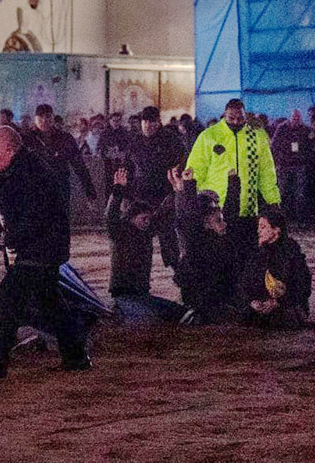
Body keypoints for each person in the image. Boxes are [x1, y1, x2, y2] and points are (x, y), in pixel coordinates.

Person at [0, 126, 90, 379]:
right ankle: (76, 356)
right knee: (51, 302)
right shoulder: (29, 167)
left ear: (10, 150)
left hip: (39, 249)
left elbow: (33, 216)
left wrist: (12, 239)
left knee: (8, 296)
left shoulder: (26, 174)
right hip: (45, 247)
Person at [186, 99, 280, 273]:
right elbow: (195, 169)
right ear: (224, 115)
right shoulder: (209, 136)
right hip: (217, 210)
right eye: (231, 118)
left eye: (240, 118)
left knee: (247, 256)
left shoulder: (257, 136)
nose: (236, 122)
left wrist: (273, 200)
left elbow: (267, 173)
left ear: (245, 116)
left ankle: (244, 293)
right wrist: (189, 194)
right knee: (220, 257)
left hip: (248, 209)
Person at [106, 167, 193, 324]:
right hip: (123, 296)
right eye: (143, 218)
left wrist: (177, 190)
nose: (147, 222)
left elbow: (164, 211)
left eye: (148, 219)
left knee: (180, 313)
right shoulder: (119, 232)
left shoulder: (145, 232)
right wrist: (117, 189)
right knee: (149, 318)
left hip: (142, 294)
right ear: (131, 217)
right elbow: (110, 215)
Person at [171, 166, 239, 324]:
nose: (224, 224)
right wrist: (188, 185)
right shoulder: (196, 240)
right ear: (206, 224)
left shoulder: (224, 240)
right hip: (199, 299)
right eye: (218, 221)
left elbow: (232, 209)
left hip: (218, 297)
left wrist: (233, 182)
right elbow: (190, 217)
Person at [126, 105, 185, 267]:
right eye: (144, 121)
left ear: (158, 122)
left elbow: (182, 161)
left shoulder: (170, 140)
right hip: (141, 198)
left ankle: (177, 272)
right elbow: (128, 168)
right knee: (140, 239)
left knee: (168, 238)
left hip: (165, 197)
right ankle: (139, 275)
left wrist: (176, 187)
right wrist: (126, 195)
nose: (147, 125)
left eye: (151, 122)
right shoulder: (135, 142)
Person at [235, 209, 311, 329]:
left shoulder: (291, 252)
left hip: (287, 305)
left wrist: (277, 302)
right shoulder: (257, 252)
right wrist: (252, 301)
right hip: (263, 304)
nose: (258, 231)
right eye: (259, 227)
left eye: (263, 227)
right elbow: (245, 282)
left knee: (285, 317)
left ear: (276, 230)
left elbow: (302, 286)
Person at [24, 104, 97, 210]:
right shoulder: (27, 139)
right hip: (35, 191)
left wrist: (90, 193)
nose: (44, 120)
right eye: (41, 117)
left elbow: (80, 166)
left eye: (48, 116)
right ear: (35, 119)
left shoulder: (65, 139)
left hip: (59, 190)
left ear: (53, 118)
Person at [271, 109, 311, 221]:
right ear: (290, 117)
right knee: (282, 192)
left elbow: (310, 144)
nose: (296, 120)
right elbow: (274, 145)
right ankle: (281, 218)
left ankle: (299, 219)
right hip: (284, 165)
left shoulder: (305, 129)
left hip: (299, 165)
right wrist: (278, 160)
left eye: (298, 118)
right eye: (294, 118)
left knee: (300, 194)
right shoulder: (282, 128)